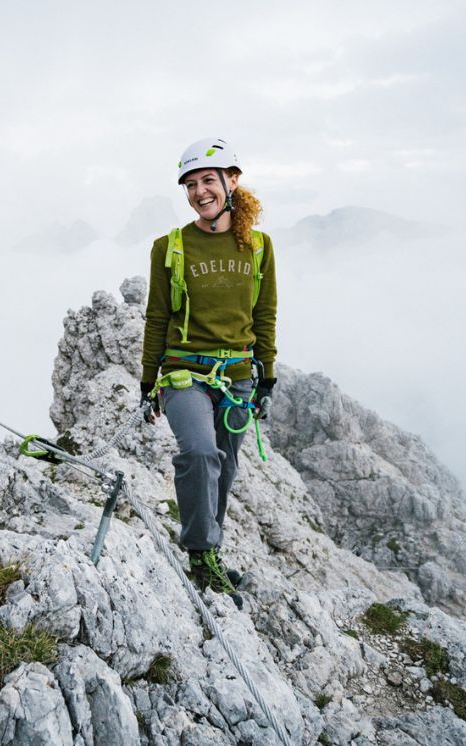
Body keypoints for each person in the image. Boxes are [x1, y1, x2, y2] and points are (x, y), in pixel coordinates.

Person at [140, 137, 277, 609]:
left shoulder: (259, 248)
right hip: (183, 372)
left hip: (238, 375)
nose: (200, 192)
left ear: (231, 181)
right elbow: (156, 317)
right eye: (191, 184)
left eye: (208, 181)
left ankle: (211, 549)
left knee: (226, 465)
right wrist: (146, 383)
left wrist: (268, 377)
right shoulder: (170, 247)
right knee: (200, 454)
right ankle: (199, 554)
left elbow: (265, 315)